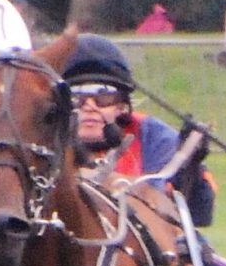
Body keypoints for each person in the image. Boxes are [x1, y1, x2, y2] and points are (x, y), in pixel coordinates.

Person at [59, 35, 214, 227]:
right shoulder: (40, 138)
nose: (90, 107)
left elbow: (200, 215)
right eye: (76, 97)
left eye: (103, 97)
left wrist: (191, 168)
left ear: (122, 106)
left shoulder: (154, 137)